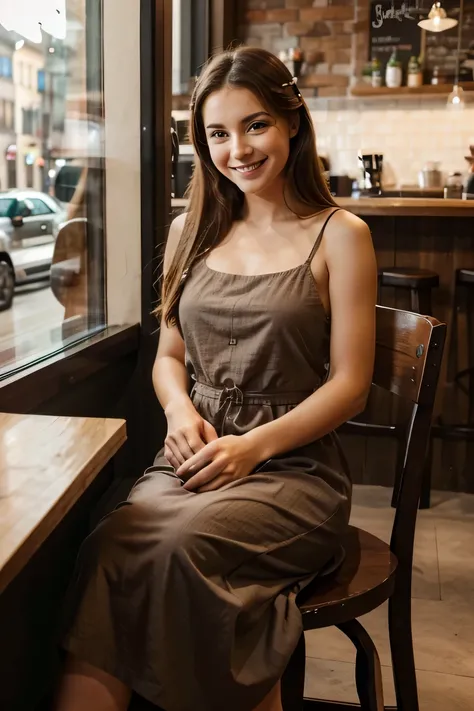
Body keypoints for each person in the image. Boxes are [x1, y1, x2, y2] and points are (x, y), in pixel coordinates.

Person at [54, 47, 377, 711]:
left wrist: (252, 447)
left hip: (295, 472)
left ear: (291, 120)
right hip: (197, 456)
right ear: (202, 143)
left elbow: (351, 385)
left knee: (177, 545)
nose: (239, 149)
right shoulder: (188, 231)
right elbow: (169, 357)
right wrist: (178, 414)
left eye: (255, 125)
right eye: (218, 133)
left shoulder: (342, 235)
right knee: (113, 540)